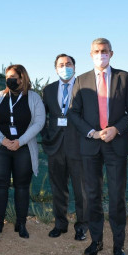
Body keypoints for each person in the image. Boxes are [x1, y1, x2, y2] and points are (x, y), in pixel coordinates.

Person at [69, 38, 128, 255]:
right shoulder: (81, 80)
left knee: (117, 196)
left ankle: (119, 245)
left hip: (115, 145)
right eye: (97, 51)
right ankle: (96, 241)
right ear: (91, 54)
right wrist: (93, 132)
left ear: (112, 53)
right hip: (90, 146)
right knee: (92, 196)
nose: (101, 54)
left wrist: (116, 129)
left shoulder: (124, 78)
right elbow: (73, 113)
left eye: (105, 51)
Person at [0, 64, 45, 239]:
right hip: (0, 148)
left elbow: (39, 123)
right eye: (7, 77)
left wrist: (20, 141)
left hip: (23, 148)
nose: (9, 80)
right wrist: (2, 140)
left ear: (22, 78)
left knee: (22, 186)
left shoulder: (34, 98)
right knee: (0, 186)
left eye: (13, 77)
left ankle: (21, 224)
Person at [41, 54, 87, 240]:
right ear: (56, 68)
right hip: (56, 147)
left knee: (81, 190)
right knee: (58, 188)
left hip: (78, 147)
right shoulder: (49, 90)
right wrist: (46, 136)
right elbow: (41, 116)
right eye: (61, 64)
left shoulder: (85, 87)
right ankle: (60, 224)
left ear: (74, 67)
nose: (65, 67)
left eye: (68, 64)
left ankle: (82, 226)